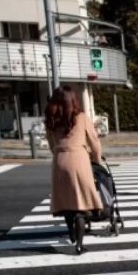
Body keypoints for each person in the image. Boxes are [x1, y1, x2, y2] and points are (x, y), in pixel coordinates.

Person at [44, 85, 103, 255]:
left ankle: (70, 231)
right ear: (73, 100)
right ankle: (79, 244)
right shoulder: (82, 118)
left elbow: (51, 144)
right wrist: (96, 159)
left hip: (59, 161)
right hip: (79, 160)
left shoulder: (50, 119)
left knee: (66, 201)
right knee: (80, 205)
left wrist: (59, 153)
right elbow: (94, 142)